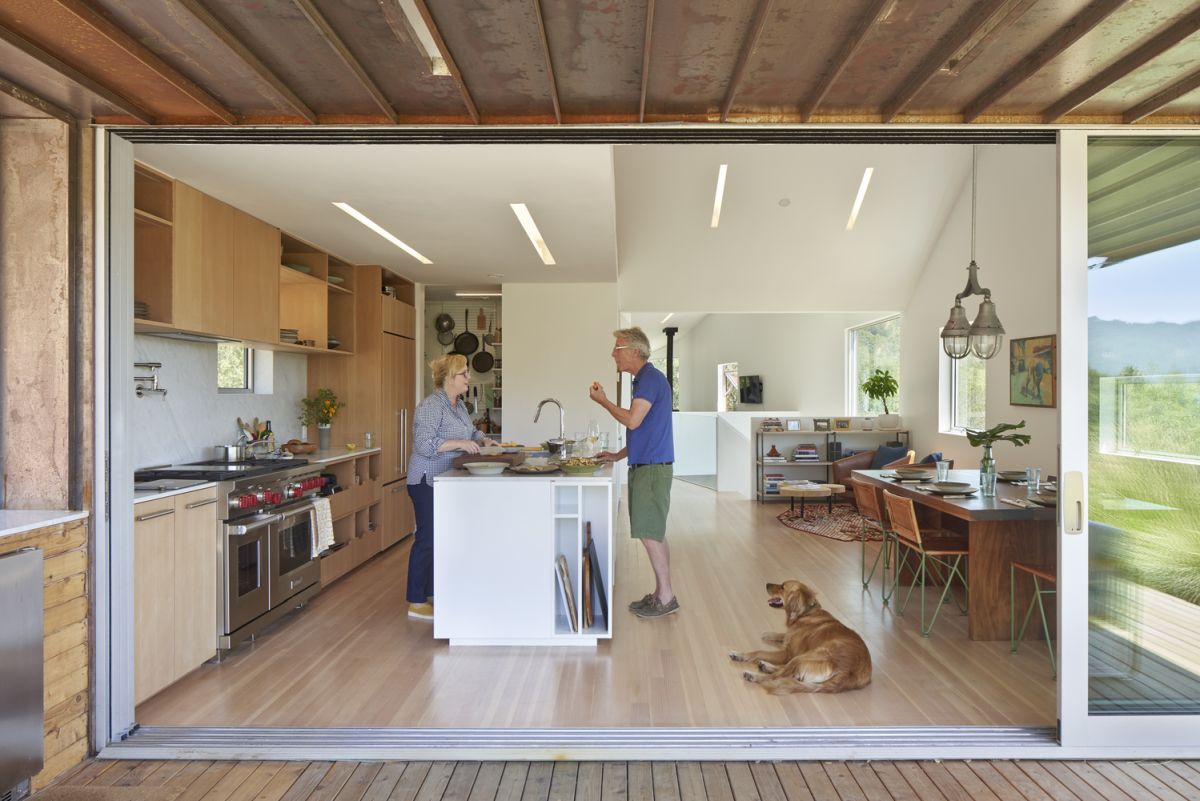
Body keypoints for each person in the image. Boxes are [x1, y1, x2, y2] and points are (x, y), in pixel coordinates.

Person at [589, 327, 678, 618]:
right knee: (653, 532)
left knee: (650, 533)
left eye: (617, 348)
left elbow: (633, 421)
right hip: (648, 465)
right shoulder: (646, 380)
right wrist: (617, 455)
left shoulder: (649, 380)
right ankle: (661, 592)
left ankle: (665, 596)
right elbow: (645, 431)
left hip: (651, 469)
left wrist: (603, 401)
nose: (613, 353)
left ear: (634, 351)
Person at [406, 353, 498, 620]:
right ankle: (415, 601)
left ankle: (432, 592)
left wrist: (483, 440)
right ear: (449, 378)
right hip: (426, 480)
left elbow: (468, 432)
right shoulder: (431, 406)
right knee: (428, 538)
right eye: (464, 374)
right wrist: (458, 444)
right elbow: (424, 444)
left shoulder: (458, 406)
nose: (469, 378)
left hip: (445, 481)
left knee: (440, 537)